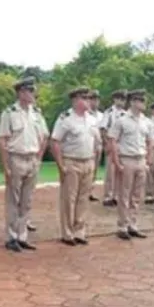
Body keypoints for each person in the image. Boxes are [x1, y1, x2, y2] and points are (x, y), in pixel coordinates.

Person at [0, 77, 49, 252]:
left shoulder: (37, 113)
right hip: (16, 157)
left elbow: (44, 137)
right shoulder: (9, 113)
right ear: (21, 93)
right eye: (30, 91)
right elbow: (2, 139)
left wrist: (39, 158)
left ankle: (22, 235)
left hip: (32, 158)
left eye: (33, 91)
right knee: (13, 200)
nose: (33, 94)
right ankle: (11, 237)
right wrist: (6, 165)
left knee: (27, 201)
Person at [51, 87, 100, 246]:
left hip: (88, 161)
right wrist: (61, 165)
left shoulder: (92, 118)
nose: (88, 101)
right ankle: (67, 233)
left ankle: (80, 231)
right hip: (71, 161)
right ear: (75, 100)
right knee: (69, 199)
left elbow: (96, 141)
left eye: (88, 97)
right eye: (84, 98)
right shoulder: (65, 118)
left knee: (83, 198)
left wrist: (94, 160)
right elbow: (55, 142)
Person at [108, 89, 154, 239]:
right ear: (133, 102)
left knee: (137, 195)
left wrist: (148, 159)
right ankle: (122, 226)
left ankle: (133, 224)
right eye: (140, 100)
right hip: (126, 158)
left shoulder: (146, 121)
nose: (143, 103)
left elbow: (151, 140)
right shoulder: (122, 120)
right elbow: (112, 140)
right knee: (124, 194)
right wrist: (116, 161)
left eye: (144, 100)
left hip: (140, 159)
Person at [100, 91, 127, 206]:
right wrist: (107, 144)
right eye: (119, 98)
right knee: (110, 172)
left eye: (123, 99)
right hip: (112, 144)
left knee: (120, 172)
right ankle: (108, 196)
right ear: (114, 99)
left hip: (122, 145)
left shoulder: (126, 114)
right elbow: (103, 129)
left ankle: (116, 195)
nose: (121, 101)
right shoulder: (109, 112)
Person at [87, 90, 103, 201]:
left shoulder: (102, 116)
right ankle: (85, 191)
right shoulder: (85, 114)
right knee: (87, 169)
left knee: (95, 169)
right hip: (88, 145)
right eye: (93, 99)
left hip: (98, 145)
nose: (95, 102)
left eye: (97, 99)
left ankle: (90, 191)